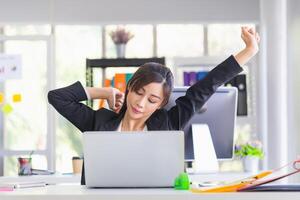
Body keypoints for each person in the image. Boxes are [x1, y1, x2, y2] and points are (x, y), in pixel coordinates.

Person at [48, 26, 260, 184]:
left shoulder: (168, 122)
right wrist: (104, 91)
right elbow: (57, 97)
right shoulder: (99, 121)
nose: (140, 103)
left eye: (152, 100)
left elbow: (206, 86)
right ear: (129, 88)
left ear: (161, 104)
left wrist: (248, 51)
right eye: (138, 92)